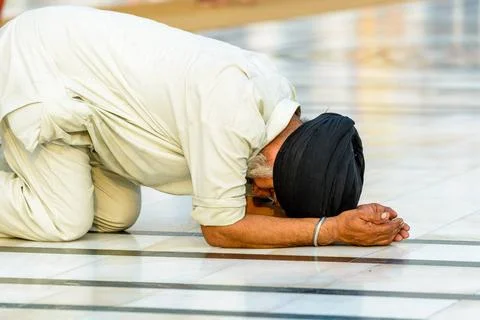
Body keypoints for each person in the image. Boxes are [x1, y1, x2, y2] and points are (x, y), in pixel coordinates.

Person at [0, 6, 410, 248]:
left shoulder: (278, 110)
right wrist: (332, 231)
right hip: (42, 68)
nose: (264, 197)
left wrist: (340, 208)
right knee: (62, 220)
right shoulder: (231, 113)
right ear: (274, 165)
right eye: (274, 194)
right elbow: (222, 230)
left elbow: (248, 203)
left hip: (83, 98)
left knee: (115, 215)